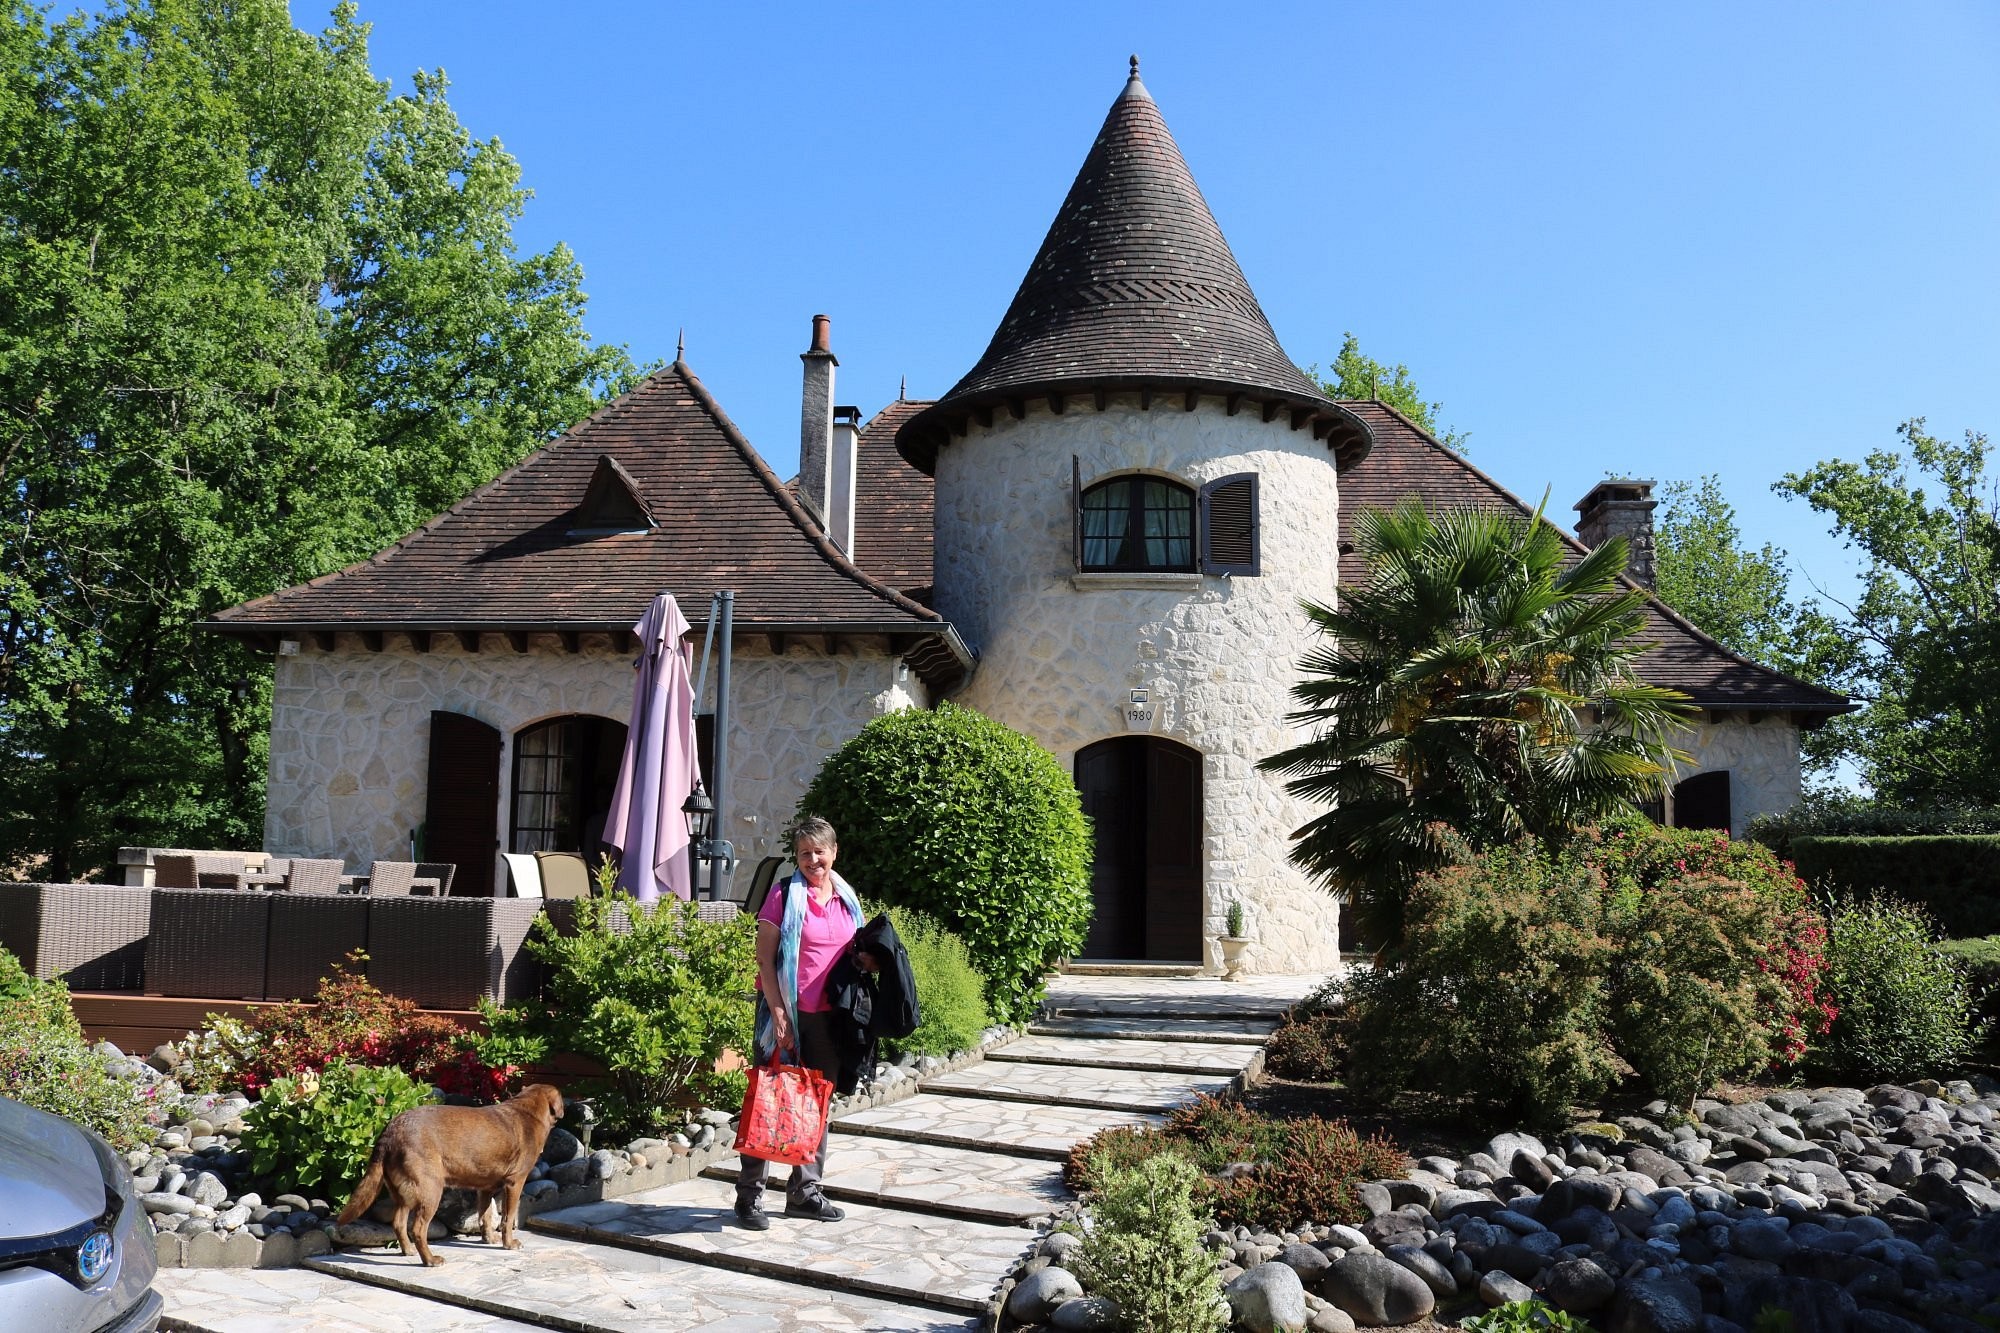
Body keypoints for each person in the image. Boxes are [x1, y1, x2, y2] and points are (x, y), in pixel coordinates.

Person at [733, 816, 864, 1230]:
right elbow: (765, 959)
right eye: (805, 853)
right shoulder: (782, 896)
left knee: (817, 1104)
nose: (812, 860)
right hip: (786, 1013)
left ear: (834, 852)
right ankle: (749, 1196)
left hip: (830, 1018)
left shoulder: (846, 897)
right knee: (768, 1099)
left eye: (819, 852)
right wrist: (776, 1010)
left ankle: (805, 1193)